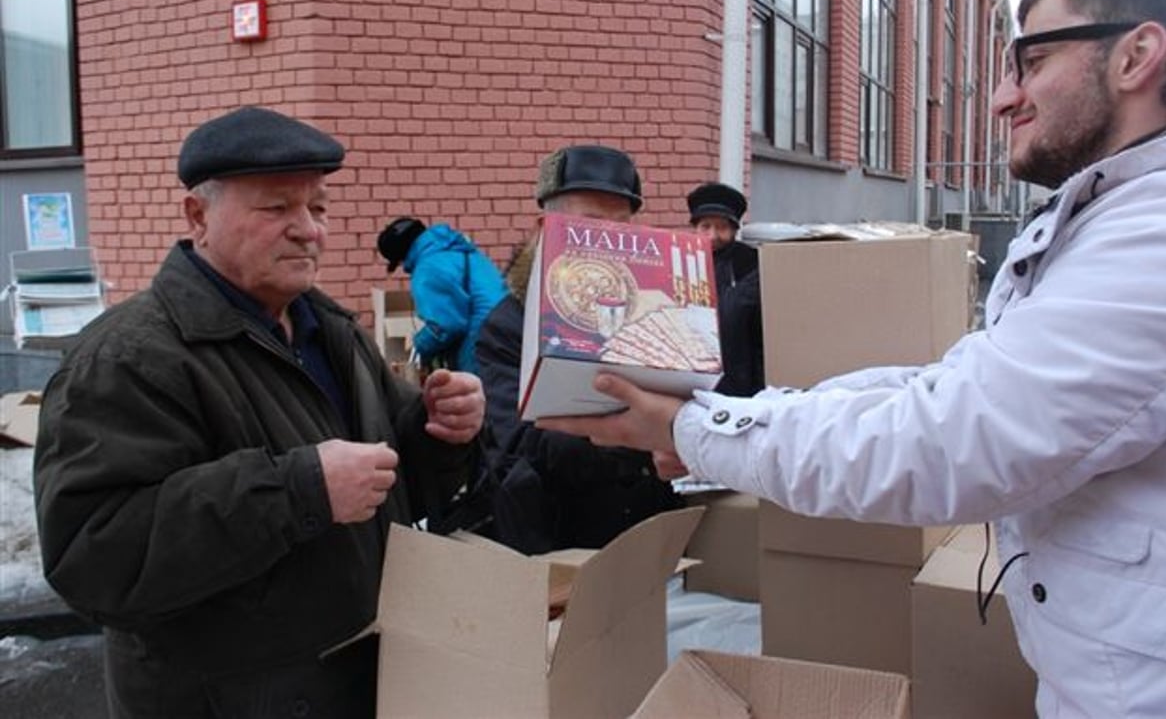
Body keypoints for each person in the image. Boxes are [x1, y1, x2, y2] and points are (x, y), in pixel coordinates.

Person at [539, 0, 1166, 717]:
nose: (1002, 97)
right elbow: (950, 387)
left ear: (1136, 56)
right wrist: (727, 416)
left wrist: (697, 430)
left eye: (1030, 60)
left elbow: (948, 439)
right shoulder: (1121, 219)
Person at [33, 106, 486, 718]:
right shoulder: (128, 358)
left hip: (357, 686)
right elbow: (95, 558)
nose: (309, 230)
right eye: (277, 209)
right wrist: (296, 491)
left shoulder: (331, 332)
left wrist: (441, 432)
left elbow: (391, 481)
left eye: (318, 208)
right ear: (198, 216)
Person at [474, 144, 682, 554]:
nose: (607, 243)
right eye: (589, 226)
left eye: (621, 228)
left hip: (647, 532)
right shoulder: (509, 325)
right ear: (544, 227)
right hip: (558, 546)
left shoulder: (649, 312)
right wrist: (638, 439)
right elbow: (518, 444)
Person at [376, 216, 508, 374]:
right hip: (506, 334)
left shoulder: (428, 267)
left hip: (481, 346)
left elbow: (446, 326)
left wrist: (418, 343)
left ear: (402, 255)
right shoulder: (460, 251)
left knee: (481, 397)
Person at [686, 181, 764, 396]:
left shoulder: (751, 263)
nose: (713, 236)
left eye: (721, 227)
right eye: (705, 227)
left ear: (733, 230)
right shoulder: (681, 260)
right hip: (694, 368)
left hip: (742, 371)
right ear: (695, 228)